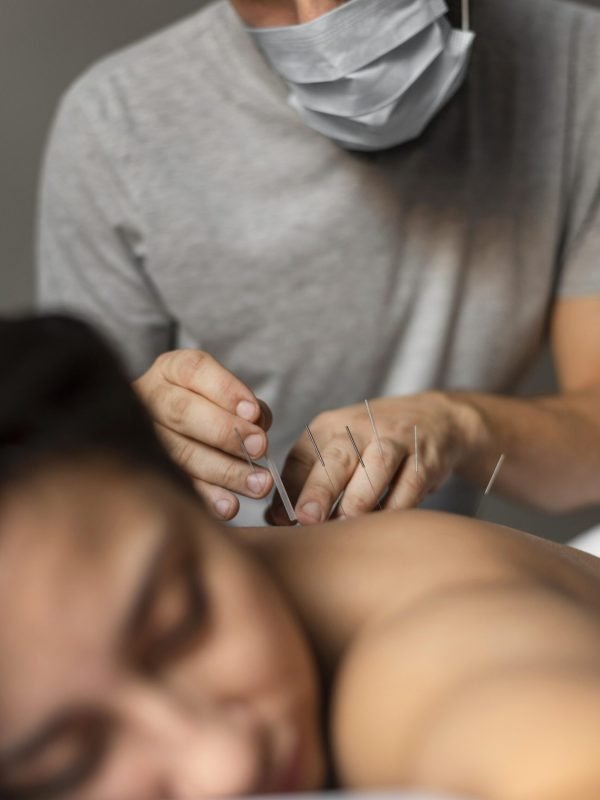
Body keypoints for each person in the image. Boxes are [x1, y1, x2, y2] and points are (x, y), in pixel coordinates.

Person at [37, 0, 600, 529]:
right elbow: (62, 498)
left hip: (429, 580)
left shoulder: (578, 67)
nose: (322, 23)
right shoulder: (114, 127)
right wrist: (127, 436)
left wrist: (459, 425)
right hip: (219, 569)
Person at [1, 314, 599, 800]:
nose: (225, 766)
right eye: (70, 764)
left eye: (184, 618)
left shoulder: (418, 644)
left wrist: (462, 422)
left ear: (189, 501)